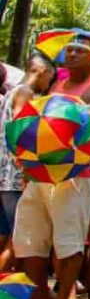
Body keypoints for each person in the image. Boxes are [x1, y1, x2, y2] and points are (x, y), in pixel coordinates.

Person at [12, 32, 90, 299]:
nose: (72, 54)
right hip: (42, 173)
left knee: (68, 240)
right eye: (69, 50)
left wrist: (81, 135)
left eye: (79, 51)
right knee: (28, 238)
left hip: (77, 174)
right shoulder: (57, 84)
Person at [0, 53, 56, 273]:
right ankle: (13, 297)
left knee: (9, 237)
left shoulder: (12, 92)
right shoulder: (25, 93)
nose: (49, 84)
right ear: (42, 71)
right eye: (49, 77)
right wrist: (27, 169)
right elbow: (21, 130)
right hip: (15, 177)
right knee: (22, 240)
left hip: (5, 176)